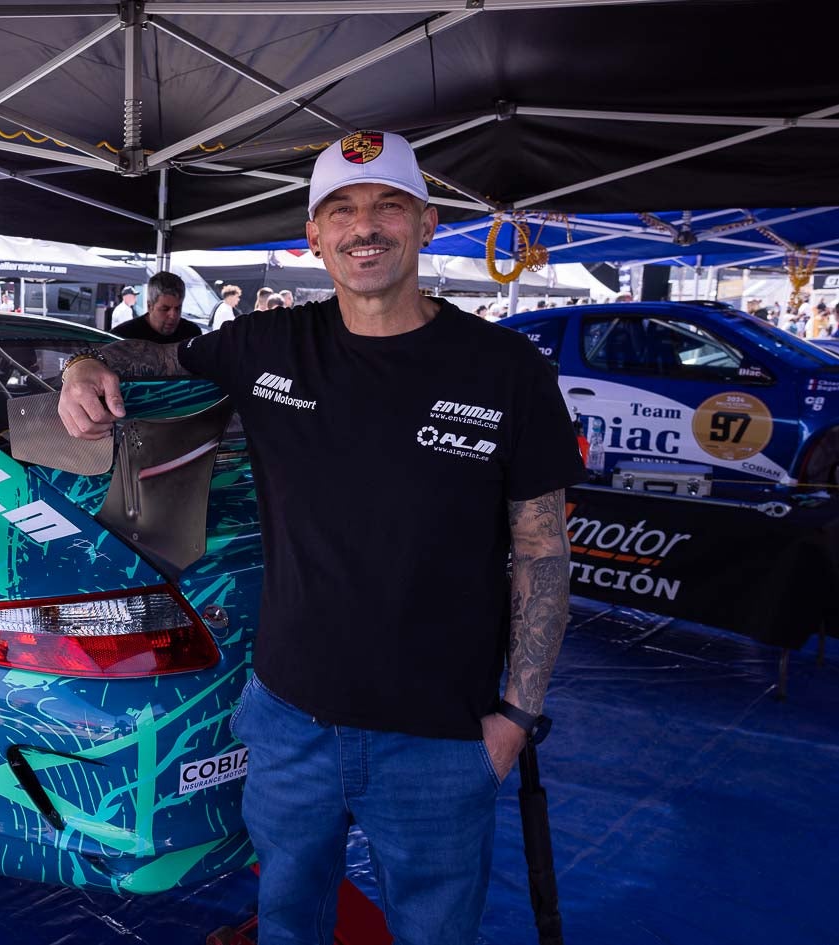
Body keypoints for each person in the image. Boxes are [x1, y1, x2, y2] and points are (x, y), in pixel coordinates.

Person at [59, 130, 582, 944]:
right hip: (289, 722)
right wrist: (82, 367)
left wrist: (516, 714)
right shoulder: (269, 345)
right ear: (313, 235)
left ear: (426, 222)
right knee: (289, 926)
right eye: (340, 210)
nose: (363, 227)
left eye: (386, 207)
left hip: (440, 738)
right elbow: (149, 357)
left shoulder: (505, 369)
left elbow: (542, 550)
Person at [110, 271, 201, 343]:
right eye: (165, 309)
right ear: (150, 306)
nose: (173, 315)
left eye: (178, 308)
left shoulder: (192, 333)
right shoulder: (122, 336)